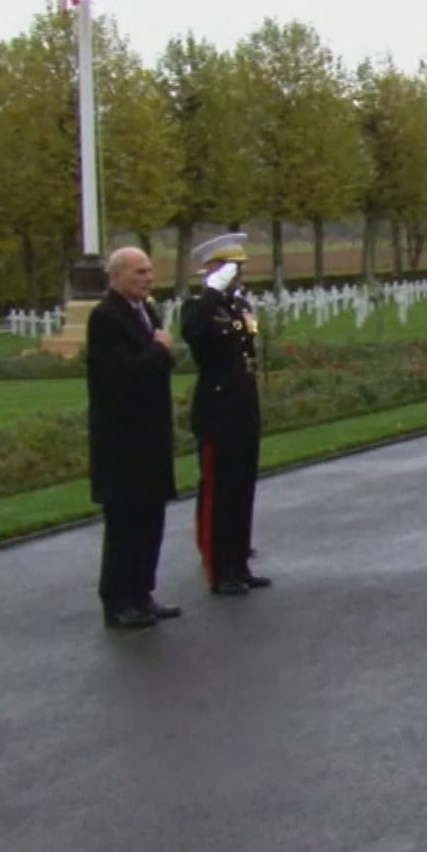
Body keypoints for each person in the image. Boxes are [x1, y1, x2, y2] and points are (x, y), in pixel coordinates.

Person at [87, 246, 182, 629]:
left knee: (150, 518)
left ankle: (142, 592)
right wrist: (160, 350)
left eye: (149, 271)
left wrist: (160, 353)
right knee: (125, 522)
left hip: (151, 436)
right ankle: (118, 599)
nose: (148, 278)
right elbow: (121, 376)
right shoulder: (106, 318)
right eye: (139, 272)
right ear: (117, 276)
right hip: (122, 440)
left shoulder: (147, 311)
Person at [181, 233, 272, 596]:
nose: (238, 275)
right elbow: (195, 333)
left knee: (241, 490)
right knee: (219, 493)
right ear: (213, 269)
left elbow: (246, 350)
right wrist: (211, 292)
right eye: (232, 268)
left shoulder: (236, 307)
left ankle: (238, 562)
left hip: (242, 408)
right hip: (217, 411)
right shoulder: (199, 307)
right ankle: (219, 569)